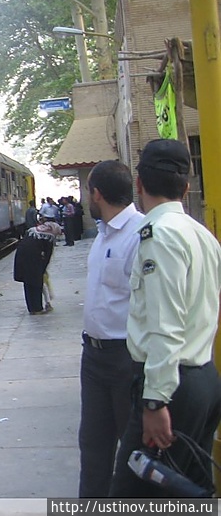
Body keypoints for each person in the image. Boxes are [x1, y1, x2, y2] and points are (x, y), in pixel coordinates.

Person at [110, 139, 221, 497]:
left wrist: (155, 401)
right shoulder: (202, 235)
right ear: (186, 187)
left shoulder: (159, 236)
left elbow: (165, 325)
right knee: (186, 492)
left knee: (130, 496)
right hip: (202, 376)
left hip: (171, 387)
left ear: (139, 184)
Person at [79, 160, 144, 498]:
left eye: (88, 190)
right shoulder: (102, 234)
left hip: (125, 360)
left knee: (132, 450)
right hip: (94, 357)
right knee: (92, 446)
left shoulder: (140, 235)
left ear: (97, 193)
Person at [13, 221, 60, 314]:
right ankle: (38, 309)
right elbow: (47, 255)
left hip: (21, 257)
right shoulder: (49, 236)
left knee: (28, 284)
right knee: (36, 283)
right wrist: (43, 269)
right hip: (34, 260)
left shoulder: (33, 231)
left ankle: (31, 309)